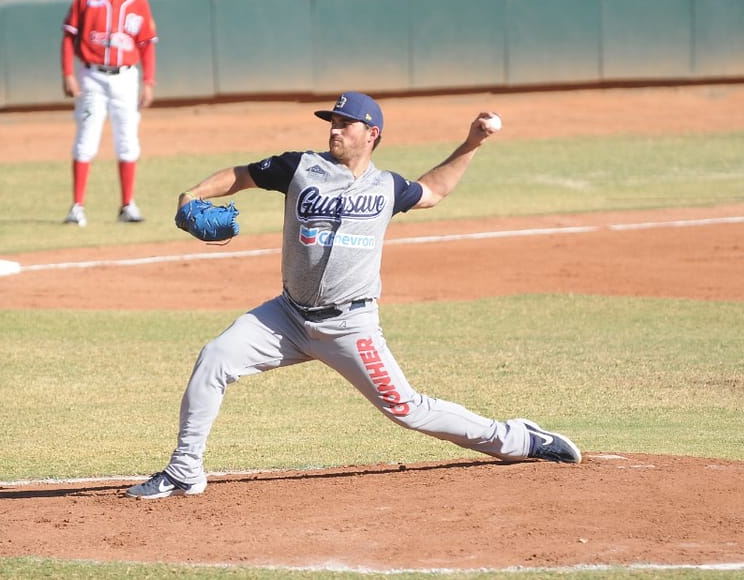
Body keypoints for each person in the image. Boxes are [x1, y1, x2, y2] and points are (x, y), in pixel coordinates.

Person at [127, 92, 582, 499]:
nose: (334, 129)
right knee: (215, 359)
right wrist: (192, 195)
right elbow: (241, 175)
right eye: (332, 121)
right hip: (286, 317)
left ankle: (518, 439)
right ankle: (185, 470)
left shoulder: (388, 188)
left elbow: (435, 190)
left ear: (372, 134)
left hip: (350, 326)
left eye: (345, 123)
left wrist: (471, 144)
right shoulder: (300, 167)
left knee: (407, 409)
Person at [60, 0, 157, 227]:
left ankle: (127, 205)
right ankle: (77, 207)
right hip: (92, 76)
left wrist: (149, 81)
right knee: (86, 140)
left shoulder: (138, 2)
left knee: (128, 141)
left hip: (126, 76)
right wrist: (68, 73)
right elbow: (68, 38)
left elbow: (147, 46)